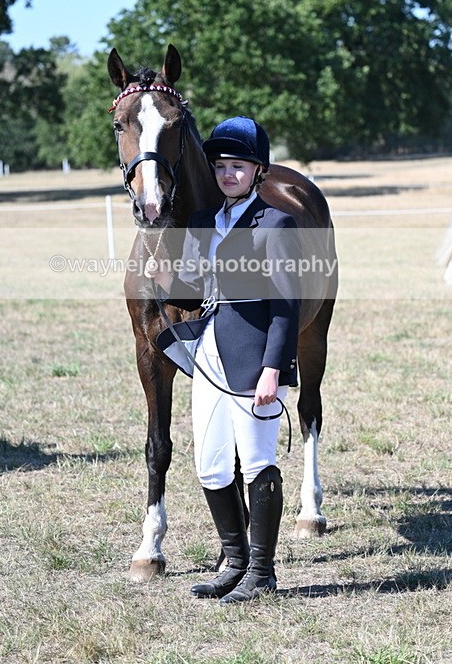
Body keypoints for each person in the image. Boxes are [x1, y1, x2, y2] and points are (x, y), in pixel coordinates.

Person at [145, 116, 300, 604]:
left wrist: (274, 368)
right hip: (207, 356)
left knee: (256, 461)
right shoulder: (206, 222)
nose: (227, 174)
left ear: (258, 172)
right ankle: (233, 562)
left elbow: (286, 306)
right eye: (221, 166)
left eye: (238, 166)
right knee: (210, 465)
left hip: (253, 360)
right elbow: (193, 287)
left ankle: (262, 571)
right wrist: (162, 274)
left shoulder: (277, 223)